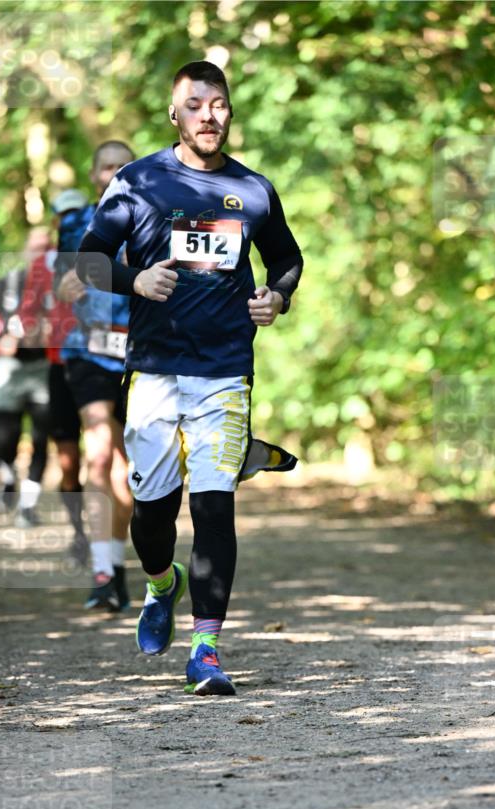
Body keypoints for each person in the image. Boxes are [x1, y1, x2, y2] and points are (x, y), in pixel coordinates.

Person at [76, 61, 303, 695]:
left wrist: (276, 299)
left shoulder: (253, 191)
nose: (209, 114)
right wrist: (134, 280)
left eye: (219, 104)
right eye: (195, 104)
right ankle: (160, 583)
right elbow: (88, 260)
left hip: (226, 370)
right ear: (174, 114)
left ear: (230, 113)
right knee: (152, 514)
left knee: (213, 507)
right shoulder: (137, 180)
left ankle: (206, 647)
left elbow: (286, 257)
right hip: (153, 371)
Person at [56, 143, 135, 611]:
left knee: (130, 474)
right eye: (107, 165)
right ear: (94, 174)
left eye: (124, 165)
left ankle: (116, 565)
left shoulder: (155, 219)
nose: (115, 173)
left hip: (140, 354)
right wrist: (68, 284)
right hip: (87, 351)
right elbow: (63, 282)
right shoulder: (74, 223)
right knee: (100, 453)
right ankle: (103, 572)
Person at [19, 191, 89, 560]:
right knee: (68, 460)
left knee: (107, 457)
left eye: (79, 214)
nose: (71, 221)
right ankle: (79, 532)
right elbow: (27, 312)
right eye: (66, 216)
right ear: (56, 222)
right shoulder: (43, 265)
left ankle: (113, 534)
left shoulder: (104, 255)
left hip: (103, 366)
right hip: (61, 367)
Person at [0, 227, 51, 525]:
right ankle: (8, 479)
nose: (40, 252)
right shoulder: (10, 281)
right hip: (10, 368)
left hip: (43, 370)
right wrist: (1, 336)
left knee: (41, 438)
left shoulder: (59, 284)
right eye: (35, 246)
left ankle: (28, 506)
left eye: (46, 247)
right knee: (4, 438)